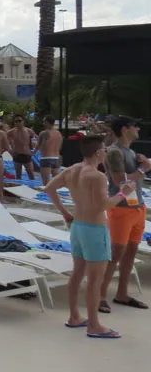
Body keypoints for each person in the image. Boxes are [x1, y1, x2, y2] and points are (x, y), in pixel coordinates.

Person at [43, 135, 132, 338]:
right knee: (95, 279)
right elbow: (103, 206)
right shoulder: (97, 176)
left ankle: (74, 316)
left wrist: (65, 213)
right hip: (95, 229)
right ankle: (94, 325)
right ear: (98, 153)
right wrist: (123, 193)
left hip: (78, 227)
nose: (106, 153)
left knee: (77, 273)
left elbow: (49, 188)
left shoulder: (72, 170)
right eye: (104, 150)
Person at [99, 116, 150, 313]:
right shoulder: (114, 152)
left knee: (130, 254)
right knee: (115, 255)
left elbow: (133, 178)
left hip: (138, 208)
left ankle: (122, 293)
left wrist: (141, 164)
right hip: (121, 208)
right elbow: (120, 181)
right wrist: (144, 168)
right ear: (125, 129)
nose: (138, 129)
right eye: (135, 126)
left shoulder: (131, 152)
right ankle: (100, 296)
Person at [9, 115, 37, 180]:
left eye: (19, 121)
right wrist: (10, 150)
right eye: (16, 121)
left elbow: (37, 140)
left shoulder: (29, 131)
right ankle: (19, 186)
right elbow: (3, 140)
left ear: (23, 121)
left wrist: (34, 151)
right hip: (17, 155)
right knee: (18, 175)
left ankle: (32, 185)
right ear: (14, 122)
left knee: (31, 175)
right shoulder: (11, 132)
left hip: (26, 155)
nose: (18, 122)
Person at [37, 115, 64, 184]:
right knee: (56, 183)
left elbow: (39, 146)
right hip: (56, 158)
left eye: (44, 121)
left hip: (46, 158)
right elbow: (60, 146)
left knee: (46, 183)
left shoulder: (44, 133)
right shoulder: (59, 134)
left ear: (47, 122)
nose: (43, 123)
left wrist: (32, 152)